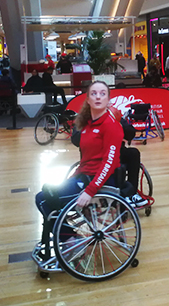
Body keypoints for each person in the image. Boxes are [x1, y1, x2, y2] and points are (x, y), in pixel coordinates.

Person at [35, 81, 122, 222]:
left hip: (99, 183)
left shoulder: (111, 126)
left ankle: (69, 239)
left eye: (102, 94)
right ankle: (66, 234)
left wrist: (90, 191)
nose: (98, 97)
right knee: (47, 194)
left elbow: (109, 163)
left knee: (42, 199)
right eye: (94, 94)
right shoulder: (86, 125)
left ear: (108, 100)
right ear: (88, 100)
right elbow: (85, 161)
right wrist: (73, 177)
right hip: (84, 178)